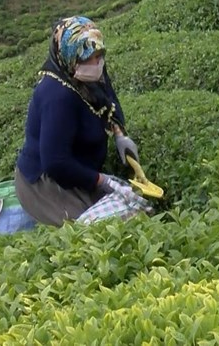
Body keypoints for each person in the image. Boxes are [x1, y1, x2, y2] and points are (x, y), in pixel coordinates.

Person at [14, 16, 140, 226]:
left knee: (130, 211)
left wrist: (120, 134)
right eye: (88, 58)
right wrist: (102, 181)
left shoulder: (91, 73)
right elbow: (56, 163)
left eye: (99, 55)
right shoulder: (57, 95)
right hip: (47, 183)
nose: (96, 63)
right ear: (70, 58)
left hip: (81, 171)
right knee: (94, 231)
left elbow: (108, 99)